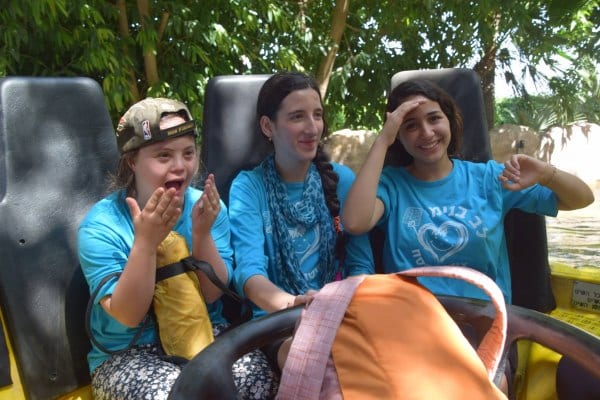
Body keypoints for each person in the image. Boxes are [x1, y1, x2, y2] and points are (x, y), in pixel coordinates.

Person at [341, 78, 595, 396]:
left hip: (485, 322)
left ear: (449, 120)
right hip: (411, 321)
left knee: (482, 382)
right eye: (410, 126)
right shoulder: (391, 185)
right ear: (398, 136)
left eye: (434, 118)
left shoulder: (488, 178)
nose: (427, 133)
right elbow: (354, 222)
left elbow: (582, 199)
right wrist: (382, 139)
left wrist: (545, 173)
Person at [78, 98, 277, 400]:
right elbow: (128, 316)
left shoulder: (207, 207)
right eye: (163, 155)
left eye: (188, 153)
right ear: (132, 160)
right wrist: (145, 244)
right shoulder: (102, 225)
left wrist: (202, 234)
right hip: (127, 353)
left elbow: (213, 295)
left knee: (258, 379)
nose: (180, 166)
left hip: (205, 333)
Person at [228, 71, 374, 370]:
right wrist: (295, 304)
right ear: (268, 126)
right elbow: (250, 276)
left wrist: (335, 306)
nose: (312, 128)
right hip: (278, 324)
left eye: (317, 115)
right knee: (312, 357)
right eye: (297, 117)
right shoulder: (248, 187)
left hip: (345, 313)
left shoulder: (342, 180)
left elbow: (361, 266)